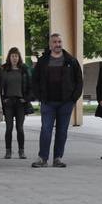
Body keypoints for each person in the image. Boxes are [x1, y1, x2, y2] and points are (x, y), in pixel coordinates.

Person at [31, 33, 84, 168]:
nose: (57, 44)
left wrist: (73, 99)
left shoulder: (71, 61)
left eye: (59, 42)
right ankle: (42, 158)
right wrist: (40, 96)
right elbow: (35, 80)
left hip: (65, 103)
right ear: (50, 44)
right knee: (46, 130)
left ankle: (57, 158)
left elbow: (79, 81)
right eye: (54, 42)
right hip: (48, 103)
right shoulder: (43, 61)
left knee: (62, 131)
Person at [0, 47, 32, 160]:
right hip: (8, 102)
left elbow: (30, 86)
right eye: (12, 56)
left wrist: (26, 98)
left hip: (20, 103)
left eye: (16, 56)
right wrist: (3, 99)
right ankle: (8, 151)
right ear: (9, 57)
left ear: (19, 57)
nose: (14, 58)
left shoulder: (24, 69)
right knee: (9, 128)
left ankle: (21, 151)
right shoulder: (4, 69)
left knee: (20, 128)